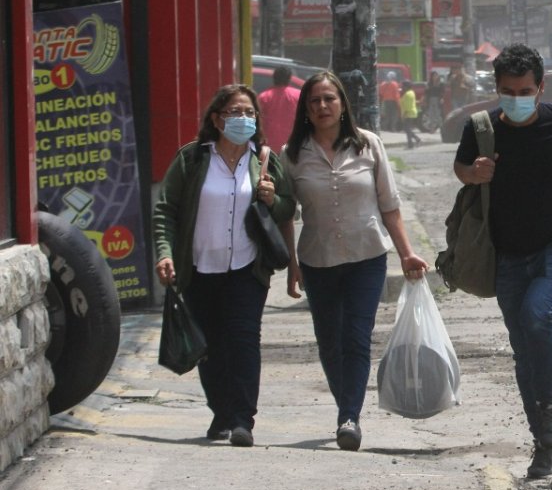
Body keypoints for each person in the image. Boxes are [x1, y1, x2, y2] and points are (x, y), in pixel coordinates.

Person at [452, 43, 552, 479]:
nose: (516, 97)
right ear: (497, 88)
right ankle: (545, 441)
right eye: (508, 90)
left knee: (537, 314)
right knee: (522, 349)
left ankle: (550, 411)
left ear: (540, 87)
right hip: (509, 253)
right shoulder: (482, 129)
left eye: (525, 89)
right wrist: (474, 173)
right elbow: (460, 167)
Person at [283, 71, 429, 452]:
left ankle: (349, 416)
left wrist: (407, 252)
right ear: (306, 109)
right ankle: (345, 405)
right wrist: (291, 264)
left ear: (343, 103)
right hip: (317, 260)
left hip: (367, 257)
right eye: (314, 101)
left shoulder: (369, 145)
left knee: (356, 337)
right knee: (329, 341)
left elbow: (390, 207)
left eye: (329, 99)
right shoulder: (293, 154)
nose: (323, 107)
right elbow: (285, 213)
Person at [153, 84, 295, 448]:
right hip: (200, 268)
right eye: (234, 112)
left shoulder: (263, 159)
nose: (243, 119)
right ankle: (221, 411)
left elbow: (286, 209)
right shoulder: (193, 159)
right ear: (216, 119)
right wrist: (165, 252)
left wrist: (271, 197)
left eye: (249, 112)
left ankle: (243, 419)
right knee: (211, 345)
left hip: (248, 269)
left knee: (245, 339)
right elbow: (166, 209)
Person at [257, 66, 300, 149]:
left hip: (268, 147)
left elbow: (258, 123)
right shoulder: (298, 96)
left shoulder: (263, 97)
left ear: (274, 78)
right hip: (292, 146)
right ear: (289, 78)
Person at [399, 80, 422, 149]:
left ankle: (410, 144)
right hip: (412, 113)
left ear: (406, 86)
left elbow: (407, 106)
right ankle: (417, 139)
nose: (402, 87)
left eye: (403, 86)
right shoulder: (411, 92)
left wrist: (404, 115)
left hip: (408, 114)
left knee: (407, 129)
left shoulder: (407, 94)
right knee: (407, 129)